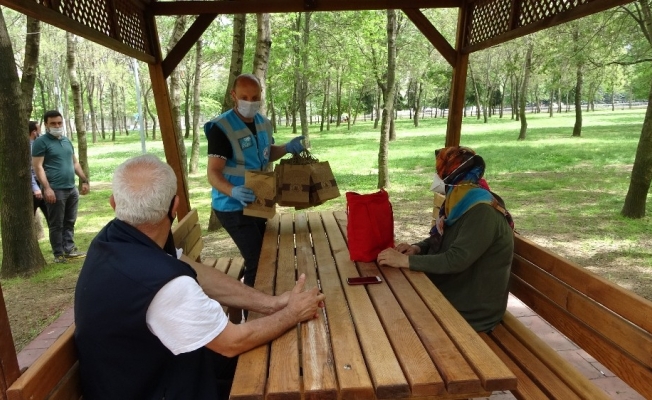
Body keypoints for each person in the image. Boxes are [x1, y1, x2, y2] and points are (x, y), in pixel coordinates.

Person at [74, 154, 325, 400]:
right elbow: (231, 342)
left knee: (281, 361)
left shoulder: (114, 239)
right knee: (291, 372)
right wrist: (292, 313)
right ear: (175, 206)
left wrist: (270, 303)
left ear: (113, 204)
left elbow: (198, 273)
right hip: (158, 387)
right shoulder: (163, 285)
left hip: (150, 374)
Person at [377, 146, 514, 333]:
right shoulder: (462, 200)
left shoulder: (482, 212)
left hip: (472, 309)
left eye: (439, 173)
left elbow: (456, 259)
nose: (437, 179)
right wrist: (418, 248)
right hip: (456, 289)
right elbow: (446, 237)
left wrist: (405, 261)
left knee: (394, 319)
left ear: (453, 176)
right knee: (389, 303)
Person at [204, 73, 305, 288]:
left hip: (259, 198)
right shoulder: (221, 128)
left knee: (268, 253)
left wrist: (287, 148)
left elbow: (267, 153)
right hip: (232, 205)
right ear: (234, 95)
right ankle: (255, 310)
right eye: (244, 97)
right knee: (258, 259)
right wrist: (233, 191)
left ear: (261, 95)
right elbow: (213, 173)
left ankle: (267, 297)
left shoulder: (264, 124)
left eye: (254, 97)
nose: (250, 103)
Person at [32, 110, 90, 263]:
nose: (57, 126)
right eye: (53, 123)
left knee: (70, 221)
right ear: (46, 124)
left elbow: (74, 162)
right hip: (55, 189)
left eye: (59, 123)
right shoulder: (41, 142)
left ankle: (69, 249)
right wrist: (47, 188)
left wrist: (84, 180)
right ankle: (58, 254)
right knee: (56, 223)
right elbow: (37, 167)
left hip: (71, 188)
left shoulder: (66, 141)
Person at [28, 121, 47, 218]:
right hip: (34, 186)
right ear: (34, 132)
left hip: (43, 183)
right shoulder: (28, 147)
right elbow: (29, 169)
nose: (40, 132)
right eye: (39, 130)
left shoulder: (38, 144)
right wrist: (35, 188)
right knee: (29, 216)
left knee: (51, 214)